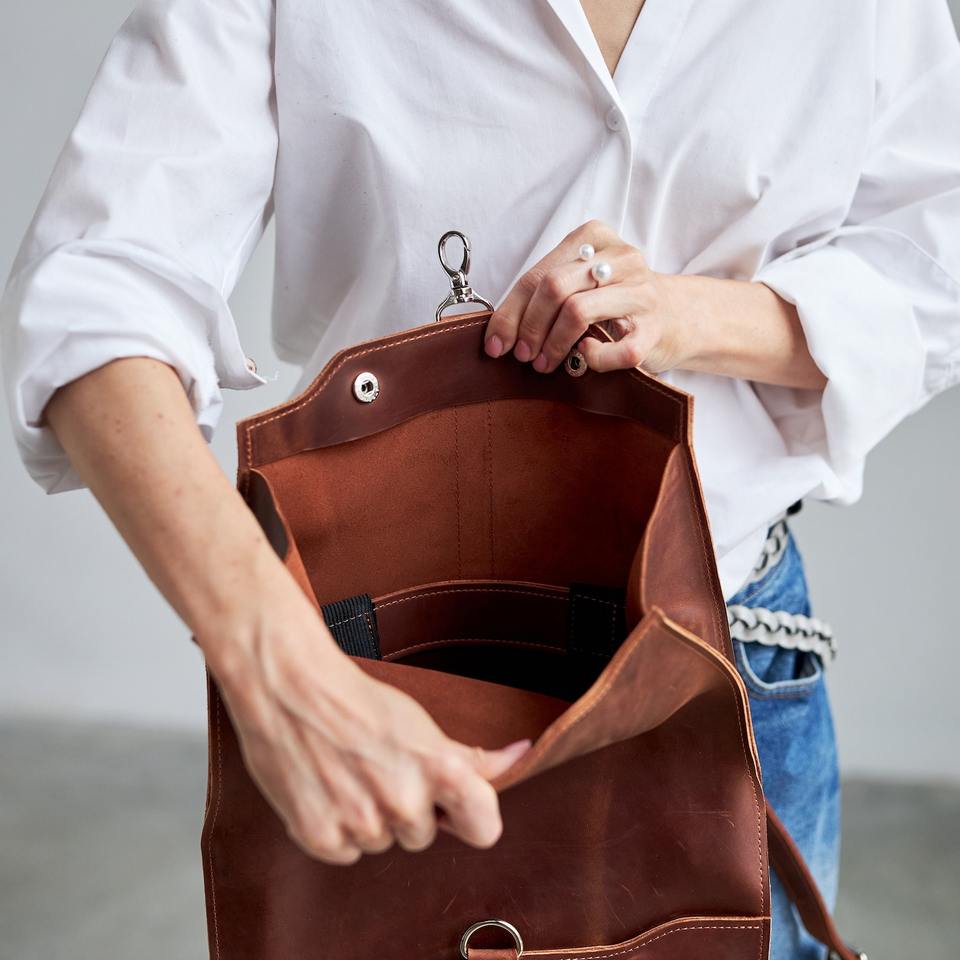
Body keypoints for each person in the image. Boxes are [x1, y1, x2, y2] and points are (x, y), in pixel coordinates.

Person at [2, 1, 959, 957]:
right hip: (366, 687)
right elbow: (98, 288)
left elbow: (937, 262)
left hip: (726, 655)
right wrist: (274, 660)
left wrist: (686, 315)